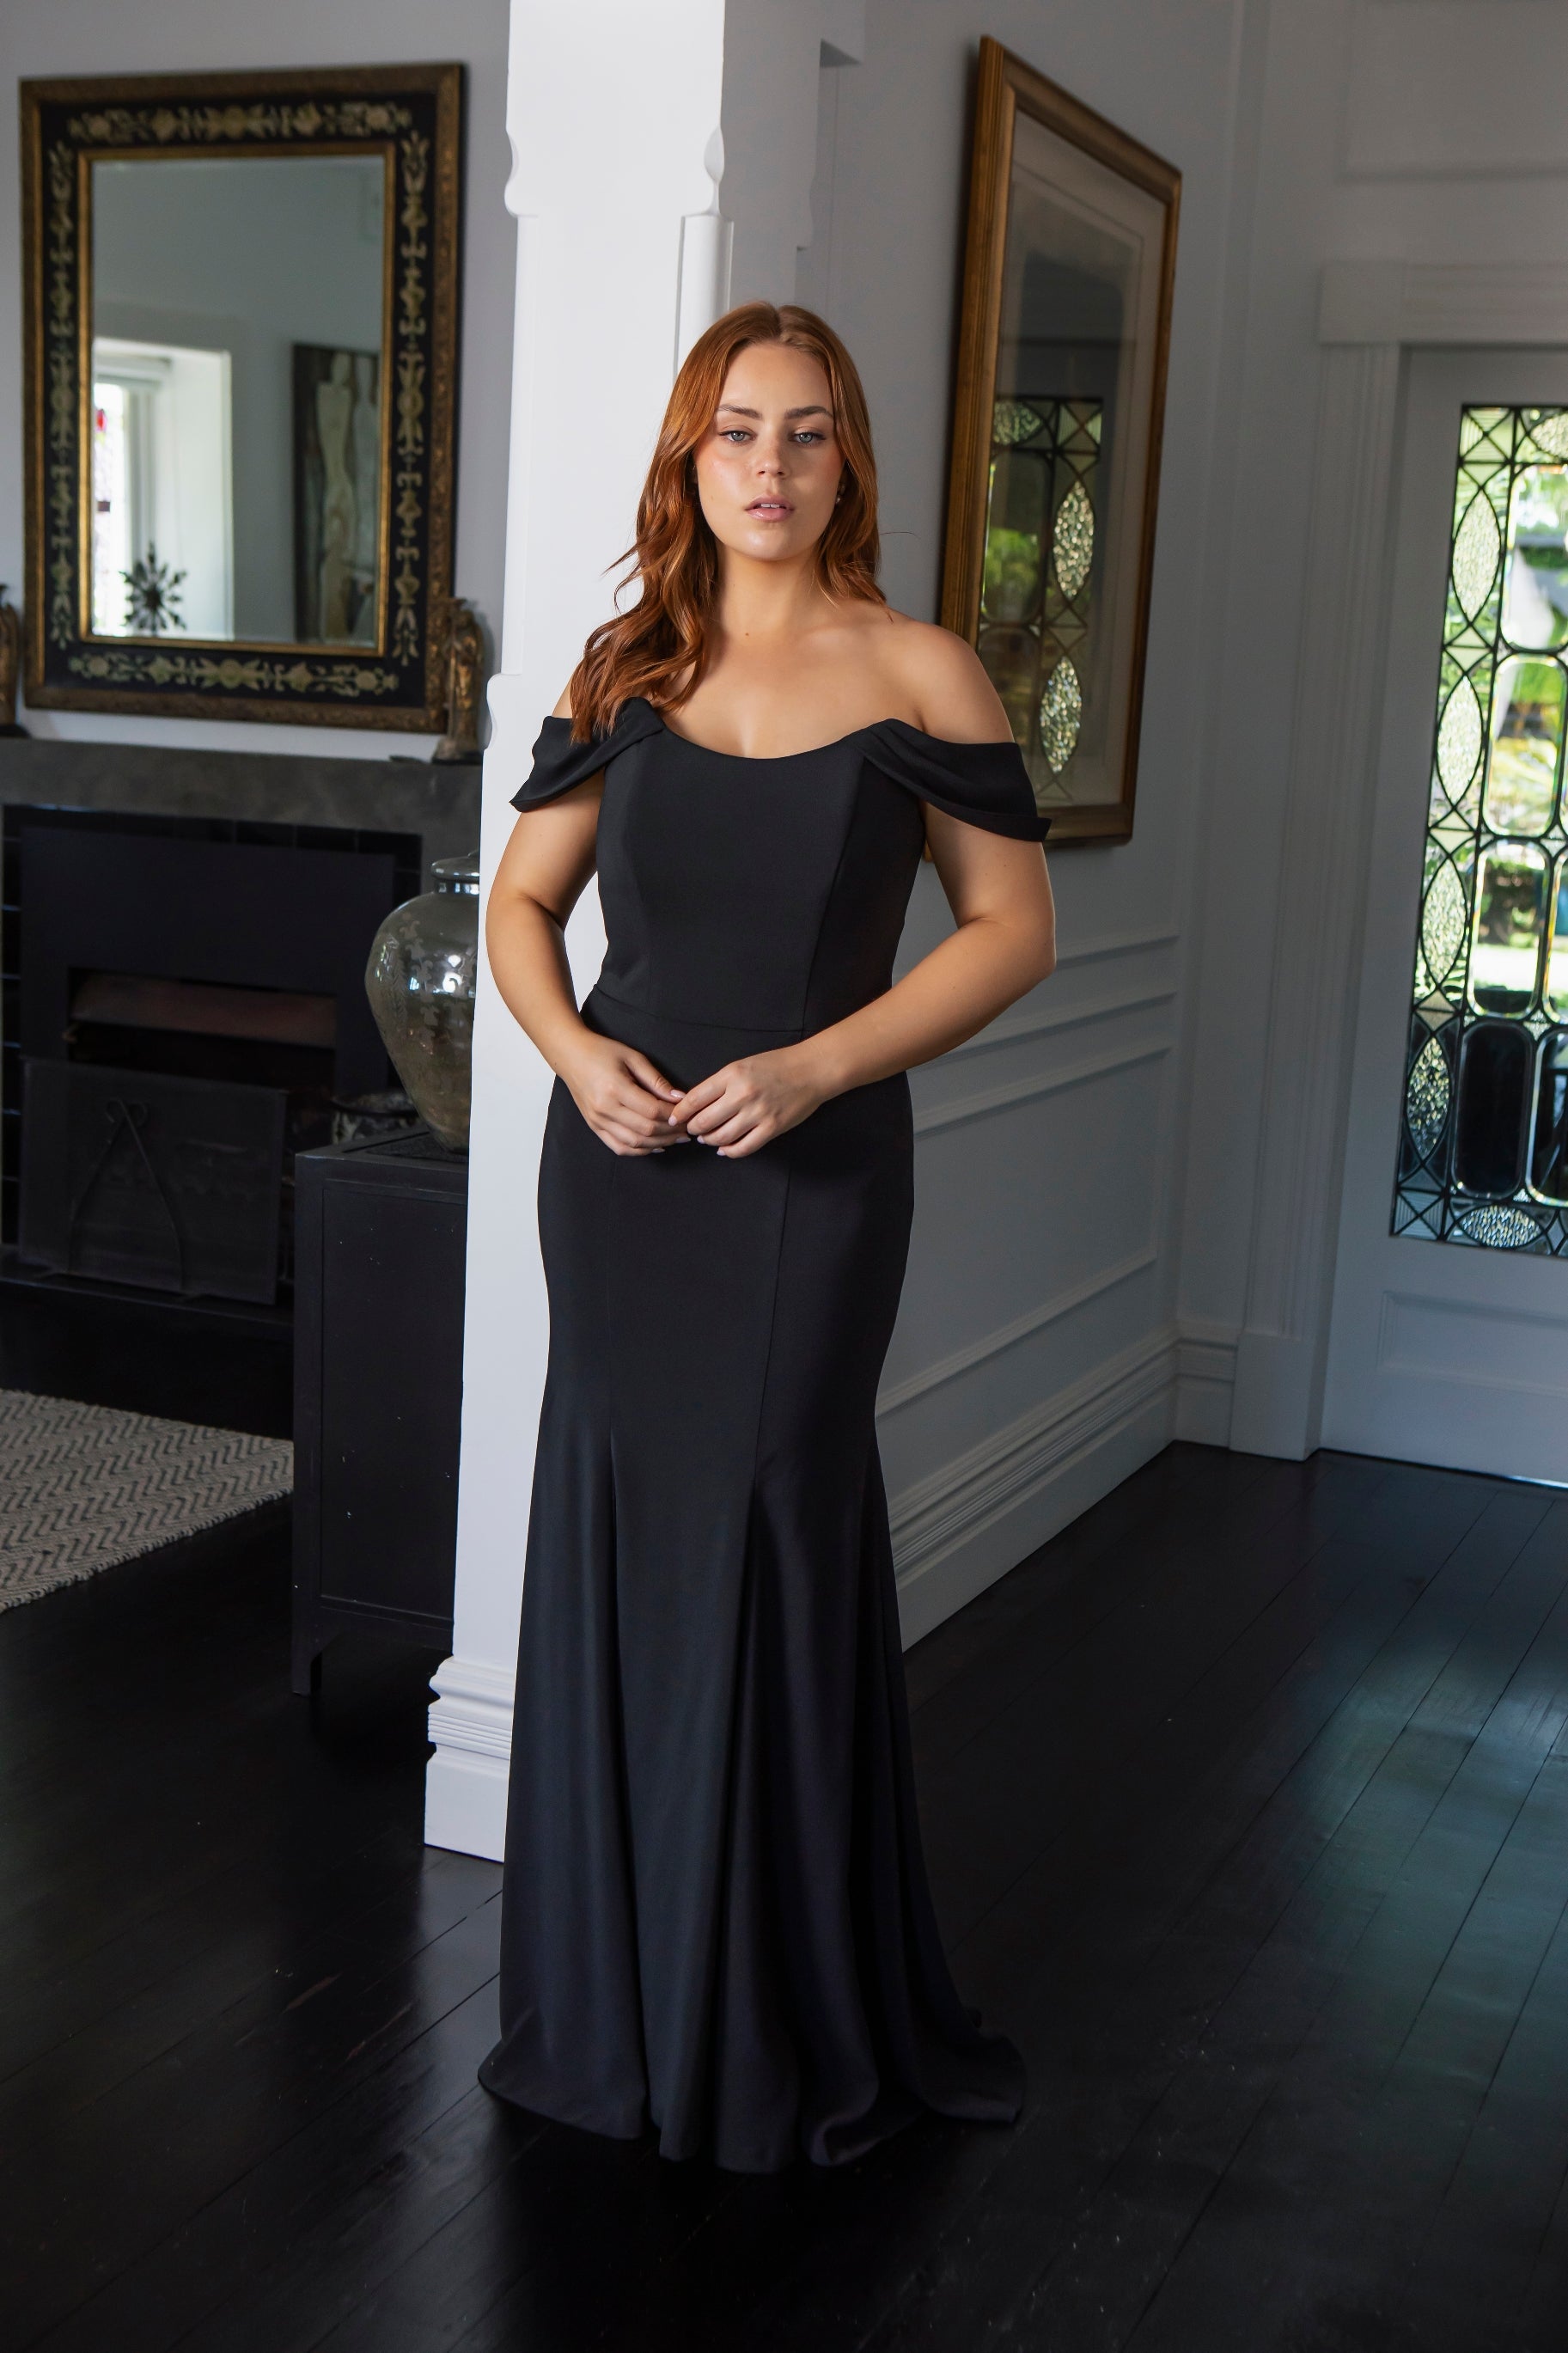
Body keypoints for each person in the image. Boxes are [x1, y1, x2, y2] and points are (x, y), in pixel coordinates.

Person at [479, 301, 1057, 2173]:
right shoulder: (620, 668)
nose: (771, 466)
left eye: (807, 434)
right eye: (738, 431)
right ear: (687, 453)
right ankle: (614, 1999)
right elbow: (519, 905)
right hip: (626, 1179)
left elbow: (1006, 931)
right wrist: (573, 1060)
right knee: (623, 1531)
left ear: (847, 460)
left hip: (811, 1178)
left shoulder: (919, 670)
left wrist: (813, 1068)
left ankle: (771, 2009)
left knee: (770, 1529)